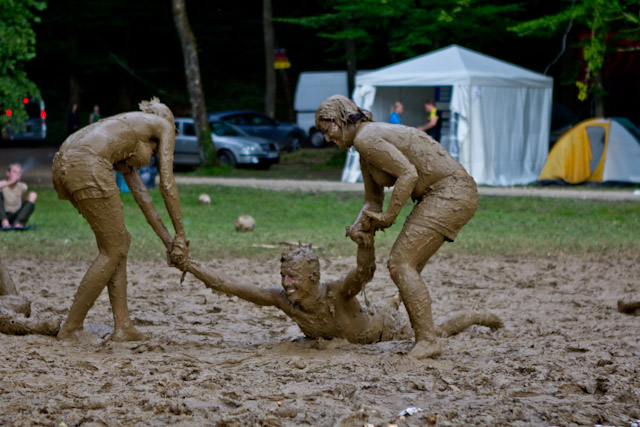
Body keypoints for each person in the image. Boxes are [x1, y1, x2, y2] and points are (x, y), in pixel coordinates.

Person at [315, 95, 478, 359]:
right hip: (443, 193)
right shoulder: (364, 149)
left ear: (342, 120)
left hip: (450, 192)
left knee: (401, 262)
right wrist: (360, 226)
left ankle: (427, 340)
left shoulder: (366, 138)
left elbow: (408, 174)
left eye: (327, 129)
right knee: (405, 261)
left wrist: (390, 216)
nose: (326, 138)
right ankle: (420, 330)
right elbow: (372, 200)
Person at [186, 233, 501, 345]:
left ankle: (479, 316)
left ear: (312, 278)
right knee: (382, 303)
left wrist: (365, 241)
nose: (286, 283)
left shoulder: (336, 293)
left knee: (438, 330)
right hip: (365, 316)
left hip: (386, 331)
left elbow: (364, 273)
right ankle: (394, 298)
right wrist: (189, 264)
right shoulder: (281, 300)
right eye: (284, 275)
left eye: (293, 278)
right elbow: (229, 286)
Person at [51, 97, 190, 342]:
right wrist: (181, 235)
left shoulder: (126, 131)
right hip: (87, 163)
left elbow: (143, 198)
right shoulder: (162, 125)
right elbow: (167, 184)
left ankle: (122, 325)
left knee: (118, 243)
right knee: (113, 249)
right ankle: (72, 328)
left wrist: (170, 242)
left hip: (65, 163)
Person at [0, 164, 37, 229]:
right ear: (8, 173)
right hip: (3, 215)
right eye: (14, 172)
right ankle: (5, 223)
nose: (17, 174)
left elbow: (23, 201)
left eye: (19, 172)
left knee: (33, 195)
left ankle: (18, 223)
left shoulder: (22, 186)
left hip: (16, 215)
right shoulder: (2, 184)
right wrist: (10, 182)